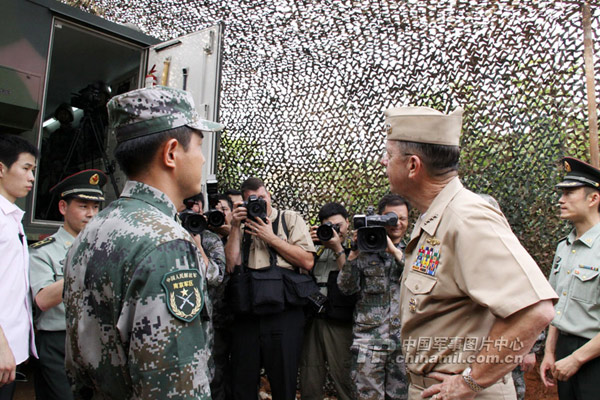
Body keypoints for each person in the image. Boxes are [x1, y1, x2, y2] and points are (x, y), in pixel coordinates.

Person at [380, 106, 557, 399]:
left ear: (413, 165)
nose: (384, 161)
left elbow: (535, 310)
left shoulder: (466, 217)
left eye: (389, 154)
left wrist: (471, 382)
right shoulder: (434, 218)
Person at [63, 86, 224, 399]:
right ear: (171, 152)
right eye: (200, 146)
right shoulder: (167, 243)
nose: (203, 159)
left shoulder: (92, 231)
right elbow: (175, 386)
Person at [225, 177, 315, 400]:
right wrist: (236, 226)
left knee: (284, 384)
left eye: (262, 198)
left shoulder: (289, 219)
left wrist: (271, 237)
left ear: (270, 196)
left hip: (284, 313)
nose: (259, 203)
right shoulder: (240, 225)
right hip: (248, 313)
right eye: (251, 200)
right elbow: (230, 266)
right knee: (242, 384)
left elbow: (307, 262)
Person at [29, 169, 107, 400]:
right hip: (58, 343)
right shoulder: (45, 251)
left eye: (95, 207)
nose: (91, 214)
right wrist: (83, 266)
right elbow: (42, 300)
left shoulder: (104, 248)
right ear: (63, 208)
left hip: (96, 340)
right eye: (83, 206)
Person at [337, 194, 409, 399]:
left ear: (408, 220)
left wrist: (394, 251)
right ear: (379, 218)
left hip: (403, 341)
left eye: (401, 218)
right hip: (369, 341)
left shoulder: (416, 248)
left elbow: (424, 279)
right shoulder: (363, 250)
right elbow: (346, 288)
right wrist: (353, 253)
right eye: (390, 218)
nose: (396, 224)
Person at [540, 157, 600, 400]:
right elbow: (558, 308)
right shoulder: (564, 247)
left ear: (593, 198)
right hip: (564, 353)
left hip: (593, 357)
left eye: (569, 193)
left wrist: (577, 359)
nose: (560, 201)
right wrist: (549, 352)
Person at [299, 202, 354, 400]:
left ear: (347, 223)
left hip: (339, 322)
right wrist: (309, 245)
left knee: (344, 375)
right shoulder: (317, 247)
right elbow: (302, 274)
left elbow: (351, 281)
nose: (333, 231)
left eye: (337, 225)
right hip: (313, 319)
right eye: (328, 226)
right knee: (309, 374)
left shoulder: (355, 247)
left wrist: (337, 246)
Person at [0, 134, 38, 400]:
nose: (32, 178)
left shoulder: (13, 218)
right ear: (1, 169)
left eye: (33, 170)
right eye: (25, 168)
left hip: (11, 351)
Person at [181, 192, 230, 400]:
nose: (191, 211)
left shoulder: (211, 240)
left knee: (210, 376)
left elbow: (215, 277)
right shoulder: (166, 234)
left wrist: (198, 245)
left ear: (201, 208)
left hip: (204, 322)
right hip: (174, 320)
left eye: (194, 206)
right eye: (185, 206)